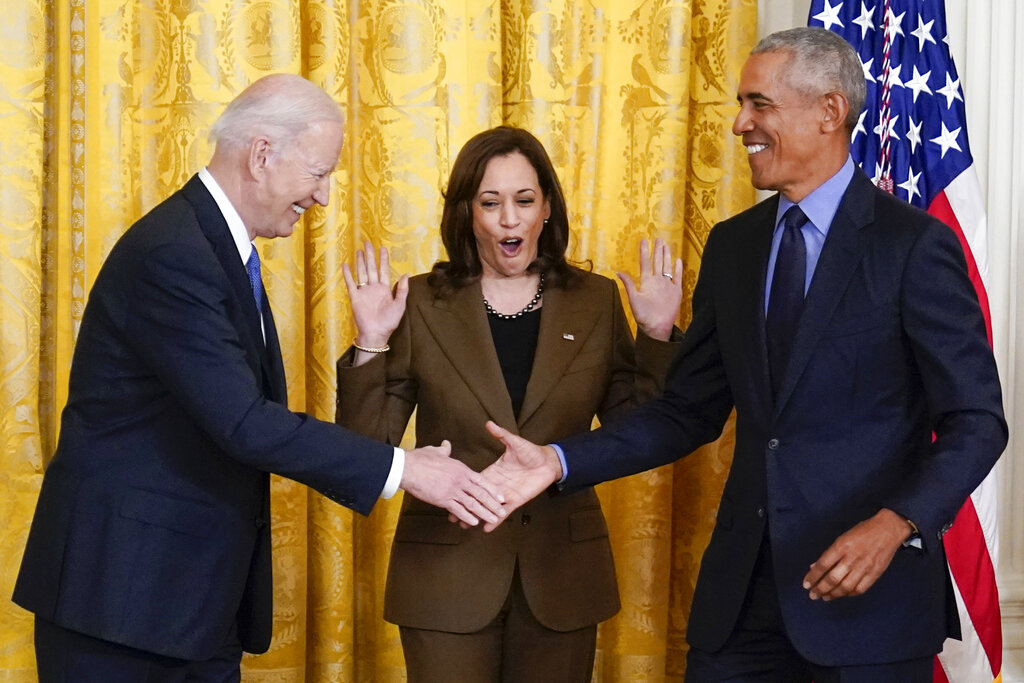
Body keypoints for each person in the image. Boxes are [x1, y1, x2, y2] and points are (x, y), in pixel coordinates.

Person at [477, 28, 1007, 683]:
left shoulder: (912, 246)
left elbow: (977, 419)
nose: (738, 124)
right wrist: (559, 460)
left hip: (870, 604)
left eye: (759, 105)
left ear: (829, 112)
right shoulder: (735, 247)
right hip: (740, 606)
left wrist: (897, 523)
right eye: (738, 104)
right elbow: (685, 411)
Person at [12, 74, 505, 683]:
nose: (323, 197)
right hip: (122, 606)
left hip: (189, 604)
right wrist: (407, 469)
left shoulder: (215, 245)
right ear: (263, 155)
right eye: (319, 173)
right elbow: (244, 422)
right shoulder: (176, 253)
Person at [335, 125, 683, 682]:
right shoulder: (420, 301)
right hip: (445, 576)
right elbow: (364, 450)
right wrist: (372, 340)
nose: (509, 219)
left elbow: (635, 434)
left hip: (563, 577)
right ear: (468, 213)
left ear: (547, 207)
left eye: (524, 200)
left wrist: (658, 335)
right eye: (490, 202)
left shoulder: (594, 301)